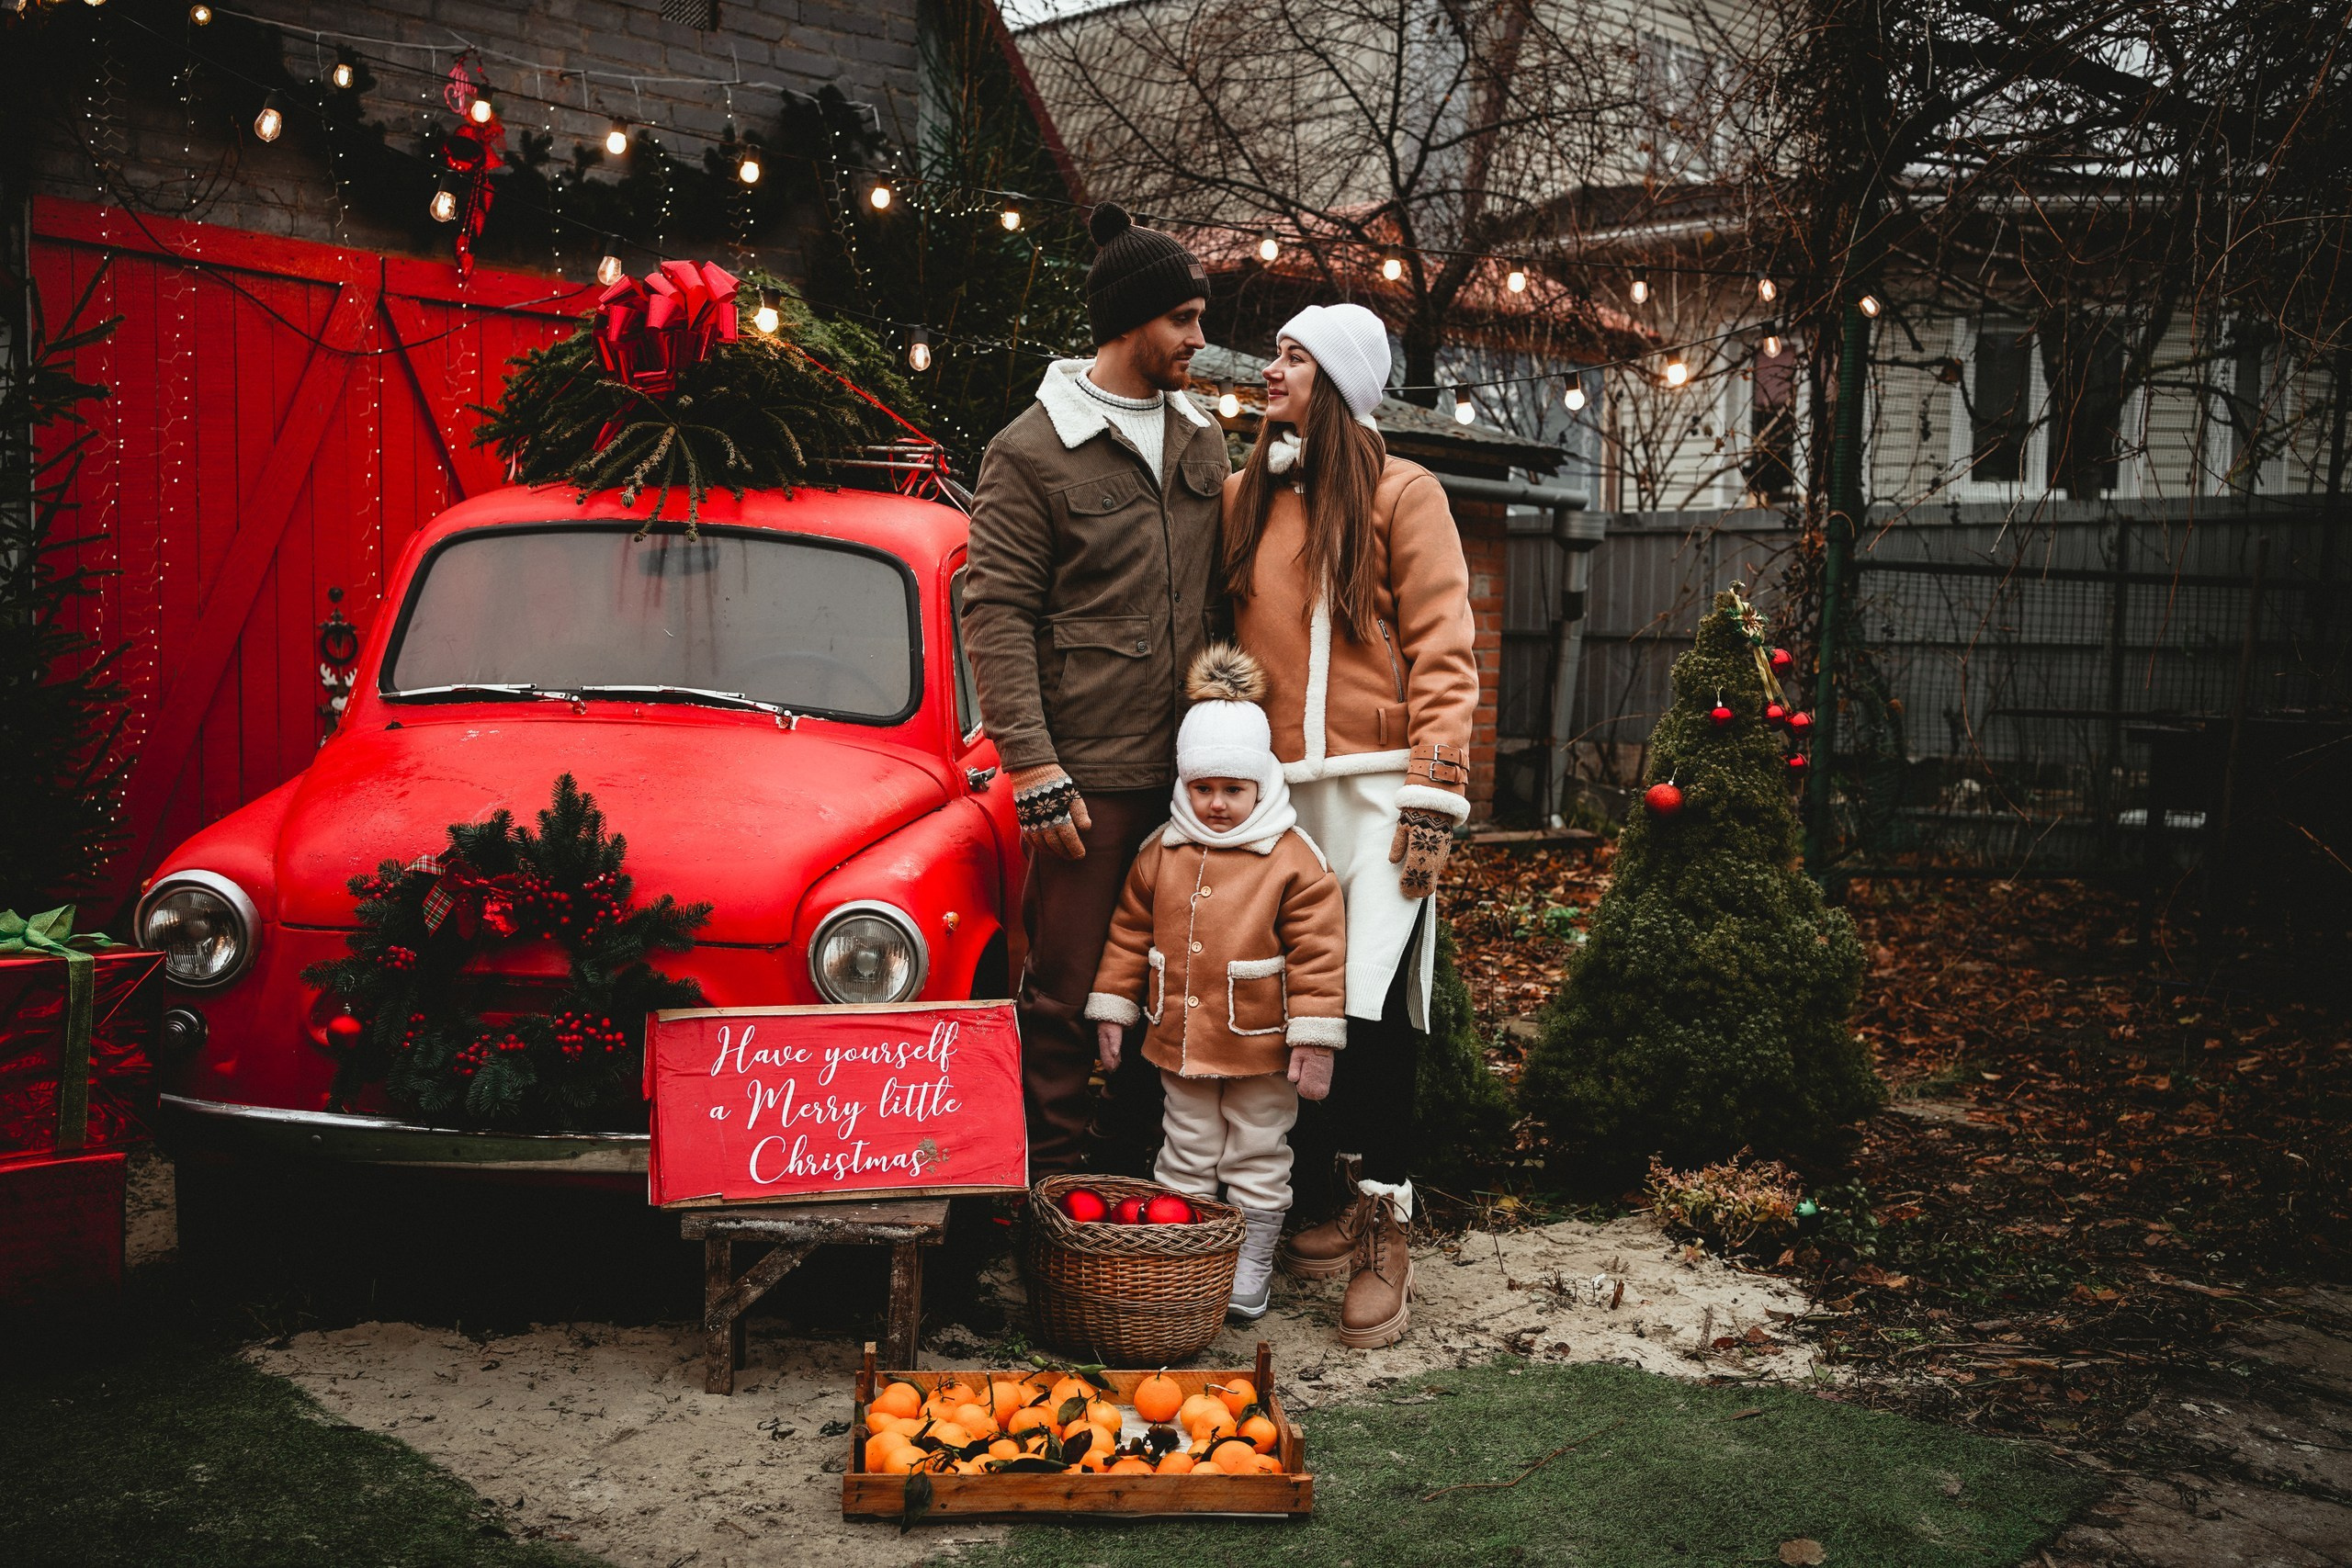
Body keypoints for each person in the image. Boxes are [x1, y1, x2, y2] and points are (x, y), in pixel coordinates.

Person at [1220, 302, 1478, 1349]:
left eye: (1293, 356)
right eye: (1275, 351)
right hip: (1279, 794)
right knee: (1295, 1006)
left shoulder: (1405, 494)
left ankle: (1385, 1224)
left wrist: (1432, 794)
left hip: (1381, 793)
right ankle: (1319, 1199)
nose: (1272, 368)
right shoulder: (1246, 496)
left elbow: (1445, 652)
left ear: (1336, 379)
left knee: (1373, 1012)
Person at [960, 203, 1231, 1177]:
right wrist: (1031, 764)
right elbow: (993, 613)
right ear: (1126, 323)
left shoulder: (1203, 441)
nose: (1199, 341)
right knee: (1067, 990)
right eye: (1182, 321)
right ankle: (1056, 1188)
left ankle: (1150, 1184)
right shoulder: (1030, 451)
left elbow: (1225, 600)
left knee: (1176, 987)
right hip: (1085, 778)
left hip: (1197, 776)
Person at [1084, 646, 1347, 1320]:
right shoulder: (1161, 851)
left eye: (1234, 789)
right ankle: (1184, 1246)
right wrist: (1114, 1008)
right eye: (1204, 789)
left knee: (1258, 1146)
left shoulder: (1293, 859)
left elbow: (1319, 954)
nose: (1219, 804)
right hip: (1183, 1039)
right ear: (1184, 784)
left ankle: (1250, 1255)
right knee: (1187, 1143)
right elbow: (1126, 932)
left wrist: (1314, 1040)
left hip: (1260, 1043)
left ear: (1262, 782)